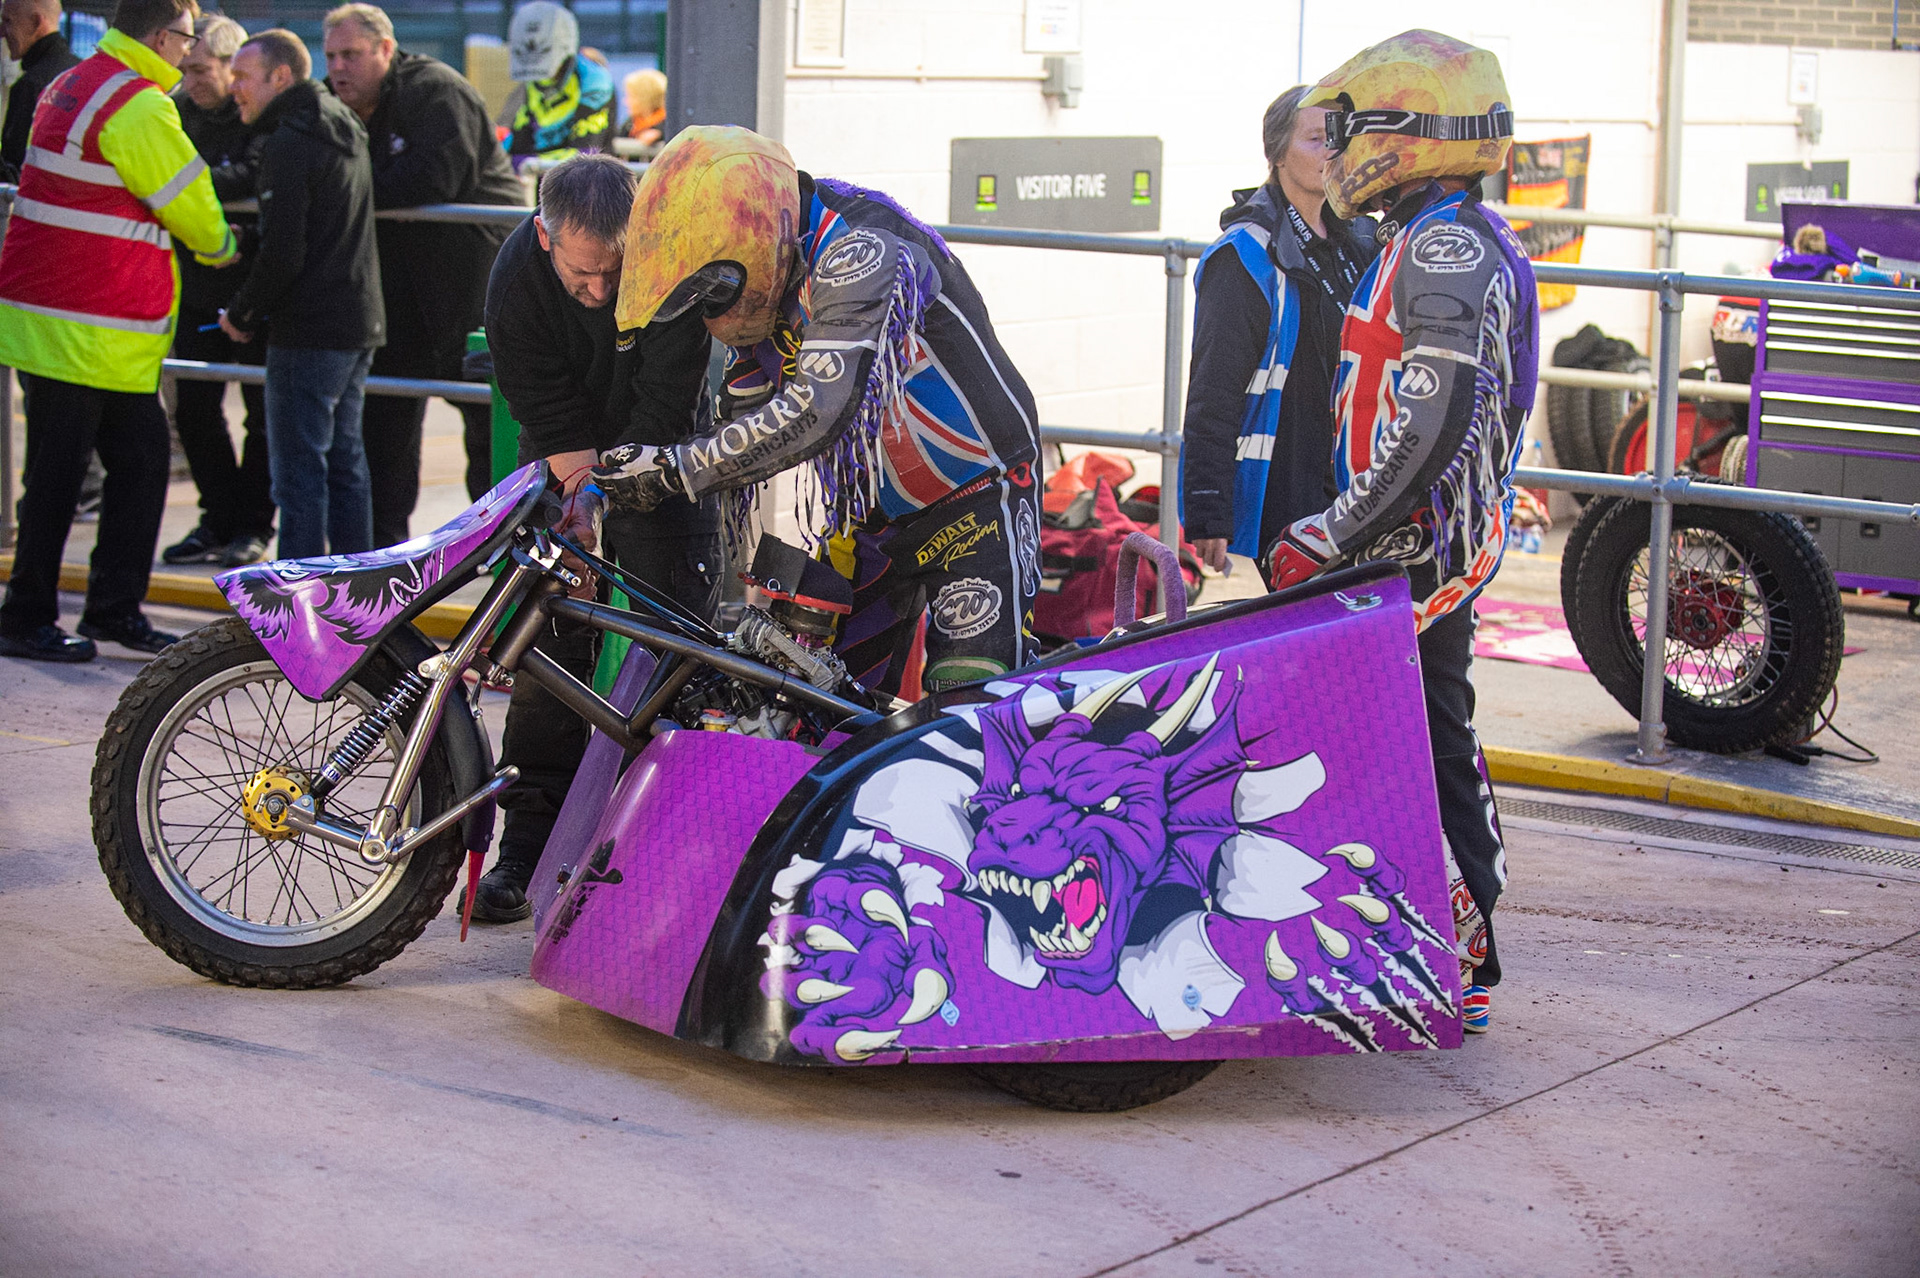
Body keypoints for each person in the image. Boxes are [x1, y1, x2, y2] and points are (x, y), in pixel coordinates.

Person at [1260, 30, 1538, 1034]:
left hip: (1412, 555)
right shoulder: (1431, 234)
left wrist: (1331, 533)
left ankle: (1463, 959)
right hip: (1408, 549)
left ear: (1403, 134)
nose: (1339, 151)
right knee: (1415, 740)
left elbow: (1433, 427)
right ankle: (1432, 950)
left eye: (1352, 128)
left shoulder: (1445, 247)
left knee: (1424, 745)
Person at [596, 126, 1043, 696]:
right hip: (866, 508)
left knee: (973, 700)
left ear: (755, 232)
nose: (711, 309)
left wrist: (673, 469)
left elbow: (817, 409)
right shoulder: (773, 257)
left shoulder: (859, 247)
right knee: (823, 698)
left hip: (975, 496)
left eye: (715, 286)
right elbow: (743, 420)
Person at [469, 154, 718, 922]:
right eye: (583, 274)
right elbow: (541, 401)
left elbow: (665, 403)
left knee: (676, 646)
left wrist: (618, 491)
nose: (602, 291)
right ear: (545, 236)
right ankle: (527, 846)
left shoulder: (668, 261)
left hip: (662, 446)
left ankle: (661, 853)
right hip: (562, 447)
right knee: (545, 641)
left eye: (614, 272)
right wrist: (579, 504)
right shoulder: (515, 278)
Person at [0, 0, 238, 663]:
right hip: (92, 325)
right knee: (85, 475)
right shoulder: (138, 105)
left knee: (112, 466)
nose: (189, 51)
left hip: (62, 318)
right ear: (160, 36)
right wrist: (224, 248)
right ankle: (31, 616)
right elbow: (193, 206)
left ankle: (108, 610)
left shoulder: (72, 82)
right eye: (186, 37)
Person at [321, 2, 523, 545]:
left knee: (487, 429)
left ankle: (500, 551)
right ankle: (380, 555)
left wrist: (350, 188)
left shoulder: (436, 90)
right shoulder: (331, 104)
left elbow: (433, 179)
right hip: (398, 297)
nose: (338, 68)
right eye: (331, 56)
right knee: (383, 430)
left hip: (473, 289)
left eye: (351, 54)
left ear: (385, 49)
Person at [1181, 84, 1378, 575]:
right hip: (1289, 486)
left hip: (1357, 483)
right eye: (1315, 139)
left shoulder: (1362, 239)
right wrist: (1208, 508)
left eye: (1339, 137)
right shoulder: (1244, 255)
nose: (1332, 150)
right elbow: (1213, 390)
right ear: (1278, 154)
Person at [219, 27, 384, 558]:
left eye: (242, 76)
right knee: (344, 465)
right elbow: (321, 225)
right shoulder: (341, 122)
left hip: (309, 329)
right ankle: (358, 587)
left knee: (298, 475)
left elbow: (285, 253)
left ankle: (300, 595)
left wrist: (242, 312)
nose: (232, 87)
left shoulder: (290, 140)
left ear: (281, 77)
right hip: (356, 318)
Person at [163, 12, 276, 568]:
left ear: (233, 67)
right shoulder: (176, 111)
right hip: (195, 284)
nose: (190, 81)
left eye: (201, 70)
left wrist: (181, 183)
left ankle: (253, 524)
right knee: (194, 408)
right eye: (184, 69)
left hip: (254, 283)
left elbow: (256, 174)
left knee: (262, 412)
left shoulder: (257, 113)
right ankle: (218, 518)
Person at [498, 0, 613, 168]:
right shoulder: (533, 81)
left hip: (583, 178)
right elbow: (509, 140)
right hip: (537, 175)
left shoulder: (594, 83)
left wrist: (523, 163)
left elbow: (585, 155)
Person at [0, 0, 79, 182]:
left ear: (36, 22)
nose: (2, 32)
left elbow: (13, 171)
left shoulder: (31, 86)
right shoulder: (81, 72)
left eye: (8, 21)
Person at [621, 67, 664, 146]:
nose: (625, 102)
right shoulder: (628, 125)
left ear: (644, 99)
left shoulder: (668, 125)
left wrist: (659, 135)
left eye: (631, 96)